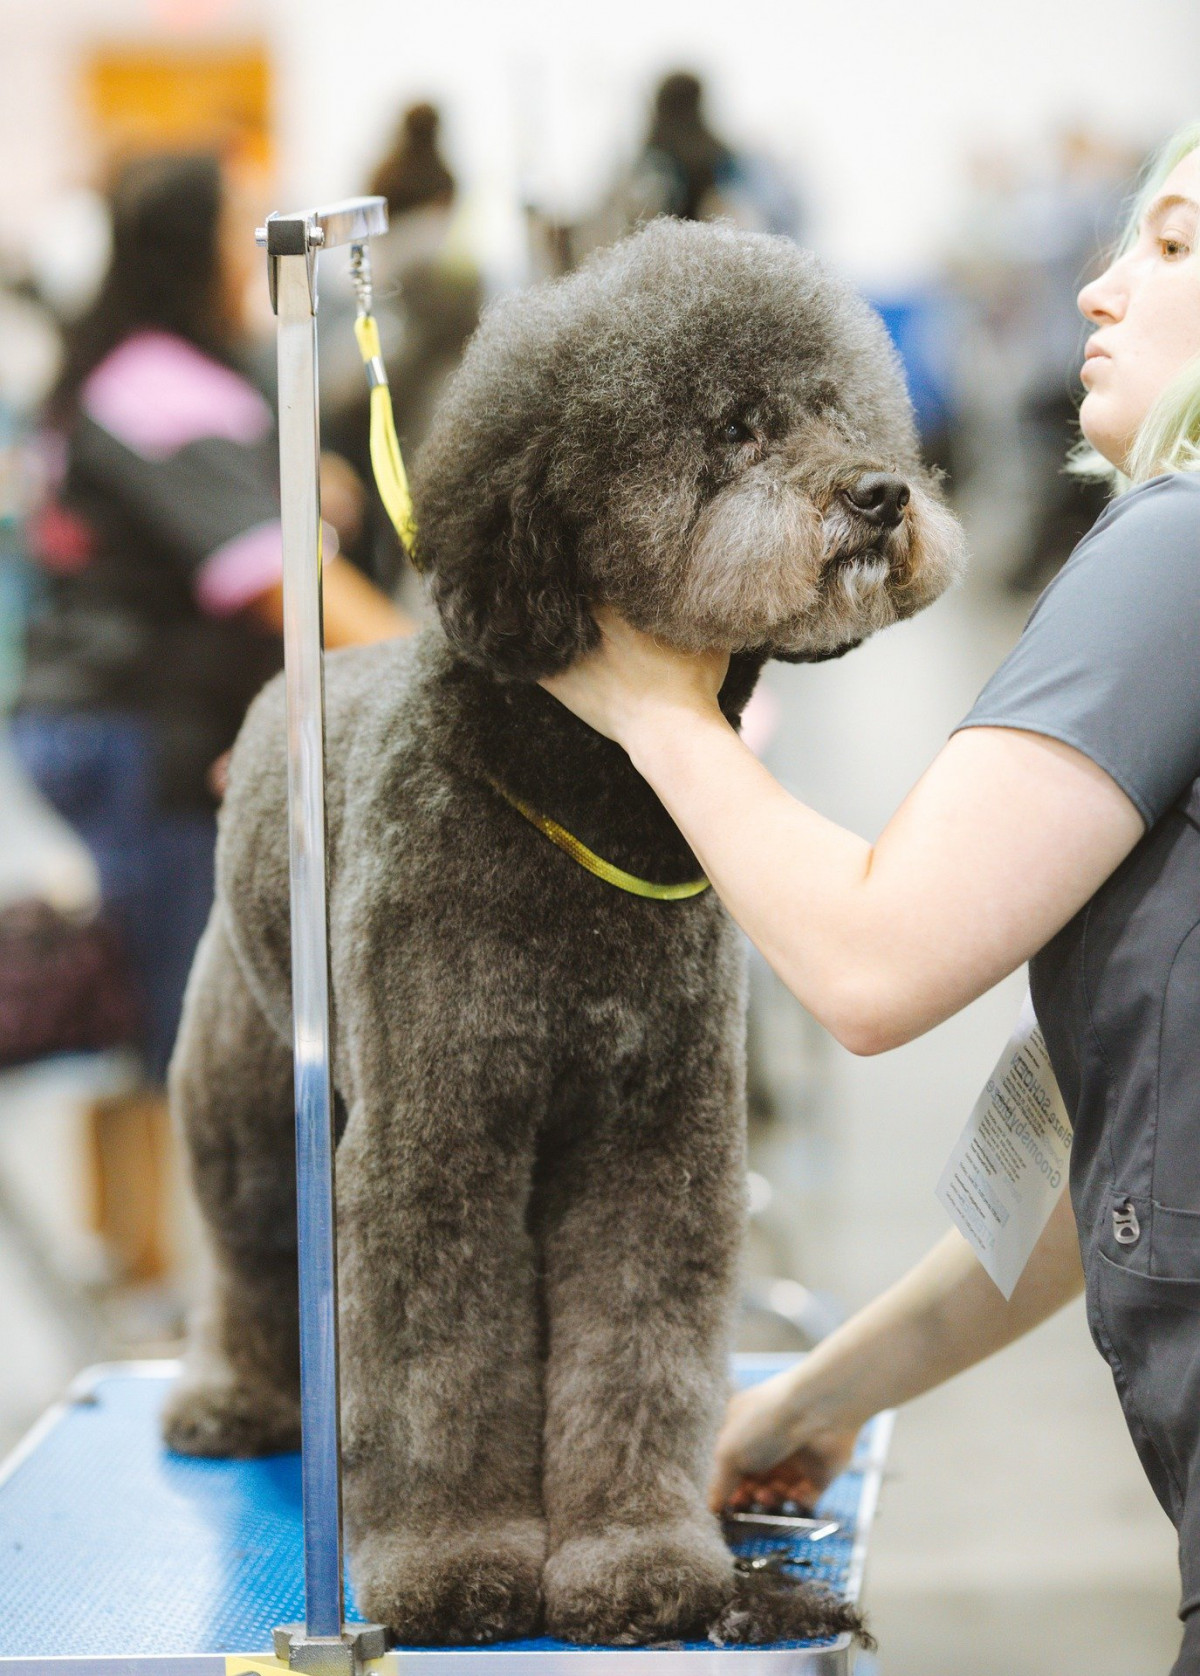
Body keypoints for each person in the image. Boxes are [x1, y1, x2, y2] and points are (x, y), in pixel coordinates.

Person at [541, 120, 1200, 1674]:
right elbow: (1090, 1139)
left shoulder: (1176, 553)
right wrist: (818, 1396)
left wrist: (651, 710)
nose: (1102, 291)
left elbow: (873, 962)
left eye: (1171, 247)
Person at [11, 152, 410, 1277]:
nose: (261, 253)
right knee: (178, 1014)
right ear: (190, 250)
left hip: (123, 721)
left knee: (157, 999)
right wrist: (448, 678)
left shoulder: (165, 367)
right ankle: (156, 1283)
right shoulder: (150, 380)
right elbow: (283, 576)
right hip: (129, 730)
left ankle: (142, 1266)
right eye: (243, 227)